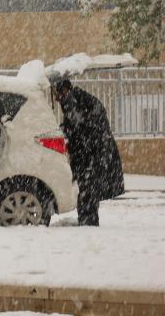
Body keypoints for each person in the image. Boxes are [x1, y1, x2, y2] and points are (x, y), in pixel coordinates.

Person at [53, 79, 124, 226]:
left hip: (92, 152)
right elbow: (77, 124)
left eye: (58, 94)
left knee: (87, 188)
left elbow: (75, 125)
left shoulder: (72, 100)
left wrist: (61, 131)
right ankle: (88, 220)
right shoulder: (80, 98)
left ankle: (88, 222)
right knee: (88, 188)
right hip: (96, 150)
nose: (56, 98)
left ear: (65, 90)